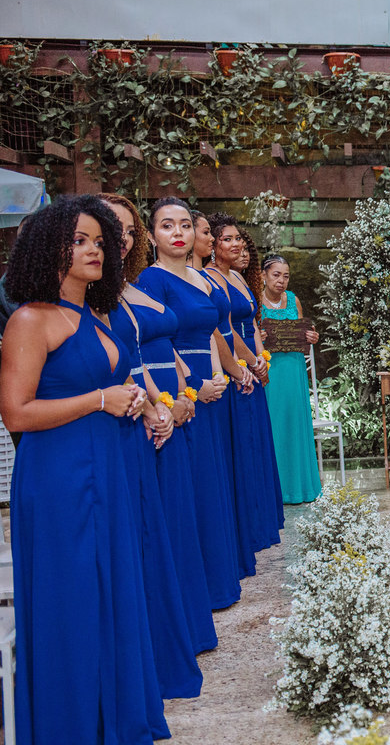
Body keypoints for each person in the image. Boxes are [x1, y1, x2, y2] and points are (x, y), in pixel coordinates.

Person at [0, 195, 168, 744]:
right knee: (69, 601)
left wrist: (144, 406)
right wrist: (100, 400)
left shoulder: (95, 314)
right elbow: (16, 413)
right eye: (80, 240)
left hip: (107, 467)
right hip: (58, 478)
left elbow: (115, 384)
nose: (95, 248)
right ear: (50, 247)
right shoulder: (31, 319)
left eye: (98, 240)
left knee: (112, 589)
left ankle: (115, 718)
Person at [101, 193, 204, 700]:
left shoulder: (127, 288)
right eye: (105, 229)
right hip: (133, 423)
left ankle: (179, 629)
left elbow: (164, 351)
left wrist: (181, 398)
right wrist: (154, 407)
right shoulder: (92, 298)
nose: (116, 239)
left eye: (124, 230)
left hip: (167, 410)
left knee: (173, 530)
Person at [137, 199, 243, 610]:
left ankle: (217, 579)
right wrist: (195, 387)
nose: (178, 232)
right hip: (180, 387)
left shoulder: (201, 280)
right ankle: (195, 591)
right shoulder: (152, 279)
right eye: (167, 226)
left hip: (210, 384)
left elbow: (215, 332)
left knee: (212, 483)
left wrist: (218, 377)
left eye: (185, 224)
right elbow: (153, 341)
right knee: (192, 489)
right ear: (152, 236)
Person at [206, 215, 283, 565]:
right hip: (236, 367)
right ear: (212, 245)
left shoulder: (236, 276)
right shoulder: (210, 278)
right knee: (241, 447)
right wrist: (249, 363)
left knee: (256, 444)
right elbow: (224, 329)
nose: (236, 244)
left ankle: (262, 520)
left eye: (238, 238)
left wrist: (262, 359)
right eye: (226, 239)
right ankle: (247, 525)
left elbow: (250, 322)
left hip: (253, 363)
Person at [261, 254, 324, 503]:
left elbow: (303, 335)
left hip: (294, 369)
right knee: (275, 426)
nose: (281, 281)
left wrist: (311, 337)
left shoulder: (293, 300)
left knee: (296, 425)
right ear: (263, 275)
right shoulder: (255, 301)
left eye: (286, 276)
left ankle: (300, 488)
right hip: (271, 371)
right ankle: (276, 490)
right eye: (276, 275)